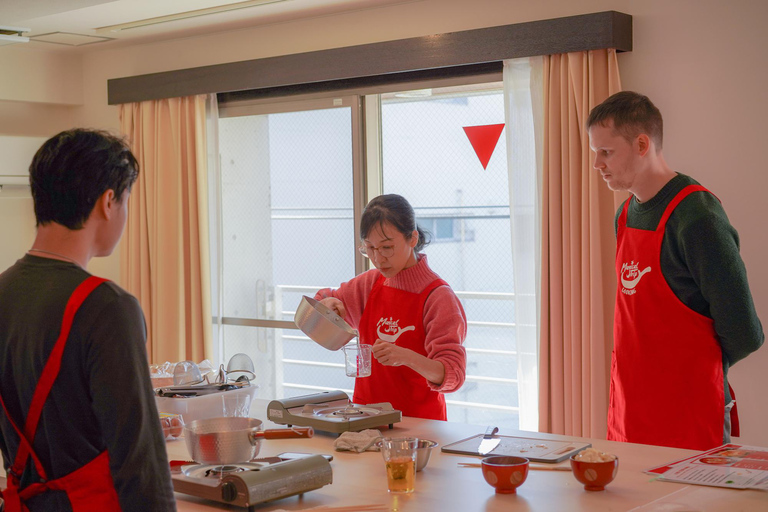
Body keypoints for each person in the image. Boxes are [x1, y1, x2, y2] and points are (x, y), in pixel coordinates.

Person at [0, 129, 176, 511]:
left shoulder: (4, 292)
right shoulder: (107, 306)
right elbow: (139, 461)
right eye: (127, 199)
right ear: (108, 201)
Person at [587, 91, 764, 451]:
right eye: (595, 153)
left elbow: (744, 332)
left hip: (688, 416)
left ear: (641, 144)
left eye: (606, 152)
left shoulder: (697, 216)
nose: (597, 164)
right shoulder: (625, 215)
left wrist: (690, 369)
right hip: (630, 412)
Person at [315, 194, 467, 421]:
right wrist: (326, 305)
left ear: (413, 238)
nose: (378, 258)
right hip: (366, 418)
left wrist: (407, 357)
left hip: (419, 426)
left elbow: (453, 375)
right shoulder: (369, 284)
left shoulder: (438, 297)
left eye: (387, 247)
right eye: (370, 249)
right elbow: (323, 302)